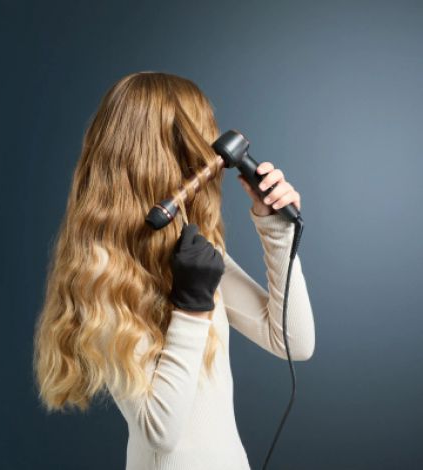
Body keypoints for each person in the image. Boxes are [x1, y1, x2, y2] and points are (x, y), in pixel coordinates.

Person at [32, 71, 315, 470]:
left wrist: (277, 231)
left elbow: (293, 342)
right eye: (203, 135)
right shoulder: (102, 271)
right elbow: (160, 432)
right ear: (177, 151)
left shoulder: (192, 251)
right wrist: (192, 308)